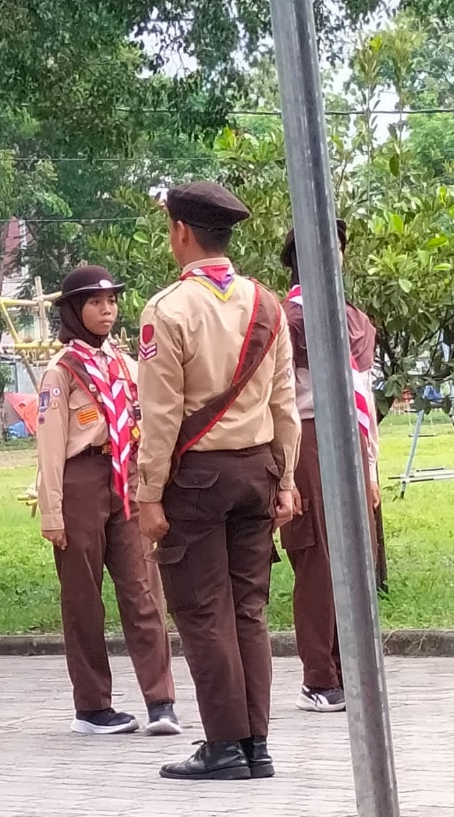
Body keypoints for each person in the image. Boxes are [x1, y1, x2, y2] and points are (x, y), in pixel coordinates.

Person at [137, 182, 300, 781]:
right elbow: (284, 403)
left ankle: (224, 746)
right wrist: (286, 478)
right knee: (248, 611)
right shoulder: (267, 304)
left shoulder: (168, 309)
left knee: (204, 612)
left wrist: (148, 492)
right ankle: (257, 745)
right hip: (258, 471)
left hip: (197, 479)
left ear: (181, 232)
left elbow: (161, 416)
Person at [37, 265, 179, 736]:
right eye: (95, 303)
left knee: (143, 590)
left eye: (112, 302)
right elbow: (50, 445)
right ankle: (93, 707)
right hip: (81, 479)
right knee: (83, 597)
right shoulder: (61, 371)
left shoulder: (126, 364)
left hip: (127, 477)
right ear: (74, 311)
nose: (107, 311)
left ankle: (161, 701)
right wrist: (52, 511)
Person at [278, 220, 379, 714]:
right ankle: (318, 676)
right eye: (322, 245)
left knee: (359, 554)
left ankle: (352, 664)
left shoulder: (354, 319)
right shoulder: (288, 320)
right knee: (317, 556)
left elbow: (365, 395)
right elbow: (279, 398)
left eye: (337, 246)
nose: (333, 253)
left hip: (351, 437)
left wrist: (372, 468)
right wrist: (285, 470)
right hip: (309, 436)